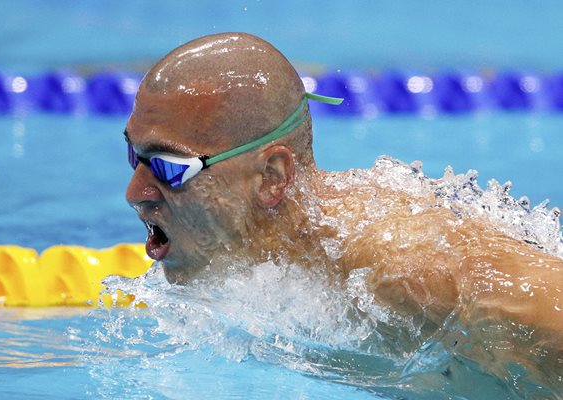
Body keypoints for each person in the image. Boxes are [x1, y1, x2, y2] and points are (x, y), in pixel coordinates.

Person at [124, 32, 562, 387]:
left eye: (167, 166)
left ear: (272, 177)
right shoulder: (271, 267)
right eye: (135, 157)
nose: (136, 191)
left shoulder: (400, 271)